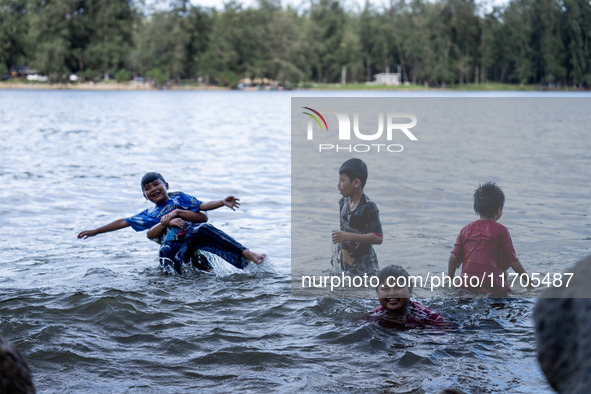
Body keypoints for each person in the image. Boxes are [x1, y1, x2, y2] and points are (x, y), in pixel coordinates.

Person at [78, 172, 266, 273]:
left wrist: (221, 202)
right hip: (177, 247)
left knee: (206, 227)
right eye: (147, 188)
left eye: (156, 184)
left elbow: (203, 205)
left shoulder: (179, 198)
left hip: (195, 235)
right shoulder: (150, 213)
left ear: (166, 186)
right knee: (169, 255)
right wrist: (96, 231)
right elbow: (122, 222)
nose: (153, 189)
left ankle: (247, 253)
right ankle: (168, 292)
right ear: (145, 196)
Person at [448, 181, 531, 296]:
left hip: (466, 285)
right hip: (493, 286)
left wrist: (450, 280)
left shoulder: (465, 230)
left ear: (475, 207)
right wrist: (529, 282)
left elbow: (453, 258)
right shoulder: (501, 230)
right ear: (498, 210)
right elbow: (513, 261)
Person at [331, 158, 382, 276]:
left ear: (356, 183)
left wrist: (347, 236)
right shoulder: (343, 203)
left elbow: (378, 237)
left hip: (366, 268)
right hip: (347, 262)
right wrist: (337, 253)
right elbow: (344, 229)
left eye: (342, 181)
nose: (338, 185)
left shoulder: (368, 207)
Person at [370, 265, 447, 328]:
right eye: (386, 289)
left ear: (410, 290)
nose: (392, 293)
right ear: (377, 293)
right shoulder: (375, 315)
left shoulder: (427, 316)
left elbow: (445, 330)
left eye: (398, 287)